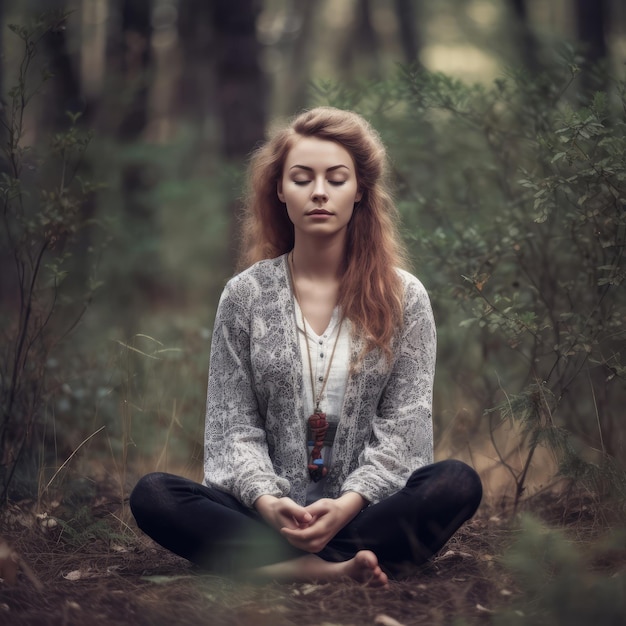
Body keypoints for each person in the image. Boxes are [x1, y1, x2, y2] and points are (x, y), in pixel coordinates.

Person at [129, 106, 482, 587]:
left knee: (456, 483)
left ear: (359, 191)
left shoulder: (404, 297)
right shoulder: (246, 295)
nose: (319, 191)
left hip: (366, 514)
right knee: (154, 495)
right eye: (302, 178)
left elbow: (405, 430)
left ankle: (279, 567)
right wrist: (268, 503)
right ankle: (332, 571)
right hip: (265, 519)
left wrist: (347, 504)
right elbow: (233, 427)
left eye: (336, 179)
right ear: (280, 190)